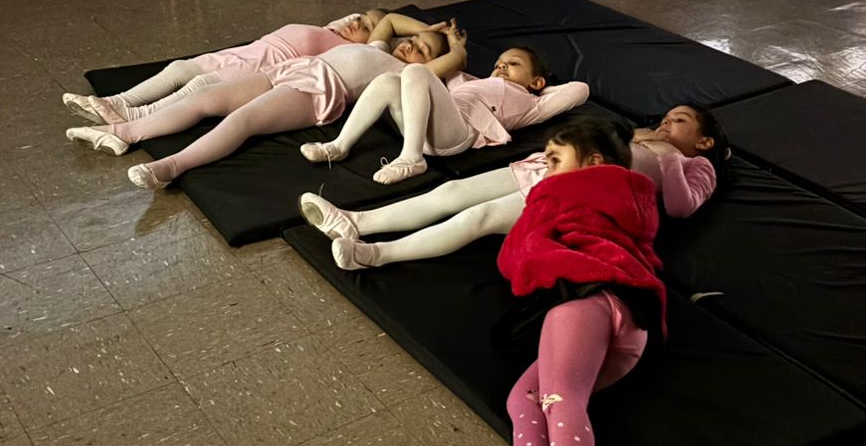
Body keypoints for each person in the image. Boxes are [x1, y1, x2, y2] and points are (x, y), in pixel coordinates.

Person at [471, 111, 666, 446]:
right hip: (631, 324)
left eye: (555, 158)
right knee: (527, 396)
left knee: (559, 398)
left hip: (584, 300)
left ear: (593, 161)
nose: (547, 168)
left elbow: (516, 255)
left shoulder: (556, 195)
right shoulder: (634, 201)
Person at [300, 102, 726, 270]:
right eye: (666, 116)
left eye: (680, 120)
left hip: (575, 196)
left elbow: (681, 206)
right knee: (449, 193)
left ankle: (375, 255)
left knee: (479, 218)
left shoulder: (696, 165)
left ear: (704, 141)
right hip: (543, 168)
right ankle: (357, 221)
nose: (666, 122)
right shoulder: (640, 135)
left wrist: (669, 156)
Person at [65, 14, 457, 190]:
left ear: (430, 64)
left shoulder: (408, 74)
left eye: (421, 50)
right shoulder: (380, 46)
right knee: (206, 96)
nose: (410, 46)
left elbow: (455, 61)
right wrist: (429, 28)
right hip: (295, 69)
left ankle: (171, 166)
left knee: (242, 120)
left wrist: (453, 45)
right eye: (412, 41)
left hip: (320, 89)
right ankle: (123, 132)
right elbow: (388, 21)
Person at [300, 39, 590, 187]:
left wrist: (541, 88)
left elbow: (580, 90)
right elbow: (450, 72)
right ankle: (339, 146)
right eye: (499, 63)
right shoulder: (472, 82)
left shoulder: (532, 104)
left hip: (458, 133)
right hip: (425, 125)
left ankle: (412, 158)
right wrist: (455, 46)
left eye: (513, 64)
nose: (501, 66)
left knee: (415, 72)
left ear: (535, 81)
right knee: (388, 81)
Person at [61, 10, 388, 126]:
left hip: (263, 64)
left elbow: (386, 31)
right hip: (248, 51)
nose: (354, 22)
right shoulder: (331, 30)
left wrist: (382, 29)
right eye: (357, 17)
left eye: (364, 26)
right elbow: (359, 19)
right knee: (179, 69)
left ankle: (137, 116)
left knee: (200, 86)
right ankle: (118, 101)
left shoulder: (351, 51)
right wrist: (363, 20)